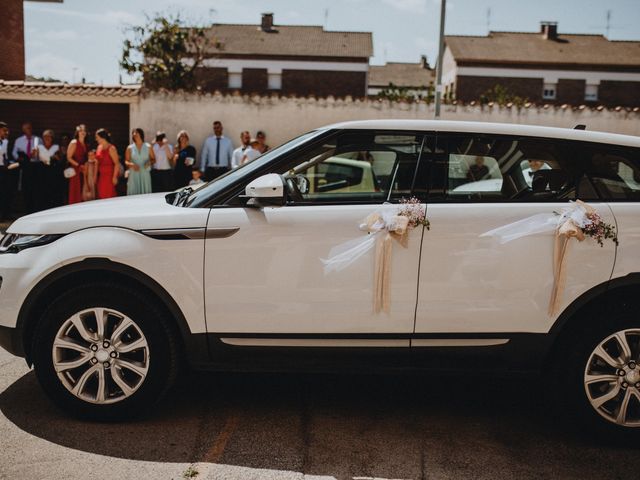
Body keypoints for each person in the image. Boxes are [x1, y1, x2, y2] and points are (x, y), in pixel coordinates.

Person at [12, 121, 41, 213]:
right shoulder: (19, 140)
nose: (29, 130)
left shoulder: (37, 139)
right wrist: (20, 158)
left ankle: (35, 209)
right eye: (27, 128)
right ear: (23, 130)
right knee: (26, 188)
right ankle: (27, 209)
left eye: (30, 127)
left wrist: (36, 154)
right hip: (25, 166)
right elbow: (14, 153)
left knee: (35, 188)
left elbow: (42, 153)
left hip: (35, 166)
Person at [33, 129, 61, 211]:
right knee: (42, 191)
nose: (47, 138)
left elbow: (59, 160)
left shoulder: (56, 147)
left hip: (53, 171)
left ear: (52, 137)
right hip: (42, 171)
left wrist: (56, 158)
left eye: (49, 136)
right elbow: (35, 158)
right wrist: (34, 153)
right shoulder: (39, 147)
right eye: (45, 136)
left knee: (53, 190)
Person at [125, 128, 155, 195]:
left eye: (136, 132)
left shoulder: (148, 146)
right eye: (133, 133)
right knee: (133, 194)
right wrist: (132, 165)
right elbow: (126, 161)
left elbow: (154, 159)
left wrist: (149, 163)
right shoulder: (129, 148)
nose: (134, 134)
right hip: (133, 174)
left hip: (145, 174)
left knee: (146, 195)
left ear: (141, 134)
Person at [66, 124, 89, 204]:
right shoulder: (74, 142)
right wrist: (78, 165)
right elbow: (69, 157)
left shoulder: (86, 144)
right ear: (77, 132)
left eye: (84, 130)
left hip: (84, 171)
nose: (83, 132)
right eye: (81, 130)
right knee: (75, 191)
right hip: (75, 171)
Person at [94, 128, 119, 199]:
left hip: (109, 177)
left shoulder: (111, 148)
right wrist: (95, 177)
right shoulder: (99, 147)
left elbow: (117, 163)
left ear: (102, 137)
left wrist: (114, 177)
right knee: (101, 195)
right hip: (101, 177)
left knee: (109, 196)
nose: (96, 139)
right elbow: (97, 162)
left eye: (97, 137)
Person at [0, 122, 15, 220]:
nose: (7, 132)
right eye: (4, 130)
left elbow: (5, 156)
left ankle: (4, 214)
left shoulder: (5, 142)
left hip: (3, 170)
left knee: (4, 192)